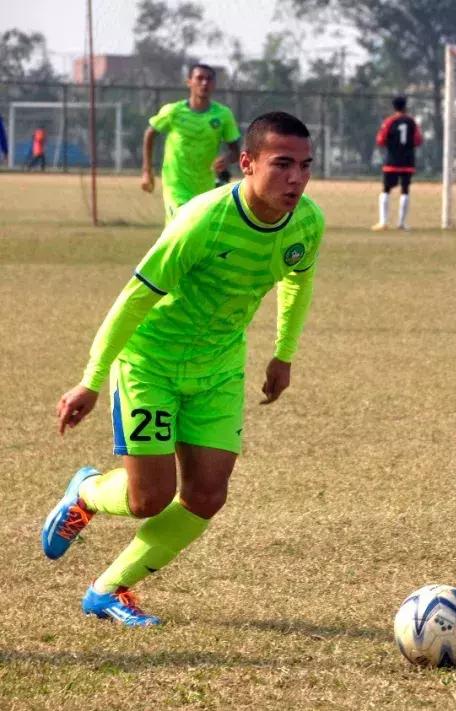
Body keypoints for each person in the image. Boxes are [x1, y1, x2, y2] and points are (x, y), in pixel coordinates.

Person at [42, 111, 324, 626]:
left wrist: (283, 354)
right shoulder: (201, 220)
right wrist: (92, 378)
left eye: (306, 166)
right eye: (282, 164)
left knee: (207, 494)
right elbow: (132, 298)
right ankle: (85, 492)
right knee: (149, 498)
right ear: (247, 163)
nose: (297, 179)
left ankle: (109, 589)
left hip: (218, 369)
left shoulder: (307, 221)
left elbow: (298, 280)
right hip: (153, 363)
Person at [142, 64, 241, 224]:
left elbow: (236, 151)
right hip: (176, 182)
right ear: (189, 82)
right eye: (199, 78)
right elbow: (150, 133)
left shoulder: (223, 115)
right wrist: (147, 171)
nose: (204, 83)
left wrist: (226, 159)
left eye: (209, 79)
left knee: (196, 229)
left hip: (205, 184)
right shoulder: (173, 111)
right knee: (181, 222)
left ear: (214, 84)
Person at [373, 95, 423, 231]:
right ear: (405, 106)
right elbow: (418, 140)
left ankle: (383, 222)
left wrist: (392, 144)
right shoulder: (412, 122)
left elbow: (380, 140)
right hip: (408, 161)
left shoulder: (389, 121)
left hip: (392, 160)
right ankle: (401, 223)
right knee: (405, 190)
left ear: (394, 107)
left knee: (386, 190)